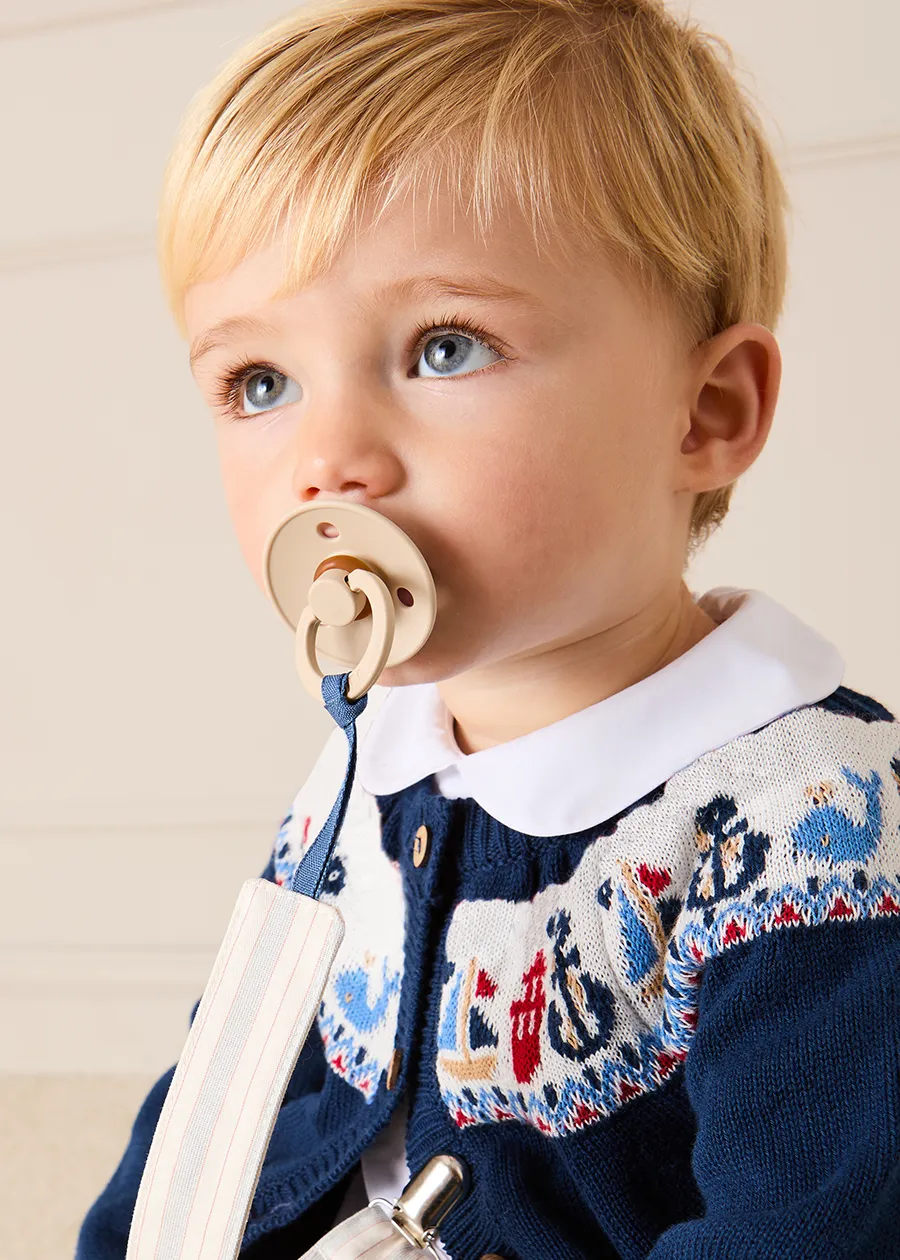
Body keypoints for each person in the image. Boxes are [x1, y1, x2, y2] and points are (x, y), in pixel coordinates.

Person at [76, 1, 900, 1256]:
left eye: (445, 347)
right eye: (259, 383)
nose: (328, 461)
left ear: (706, 413)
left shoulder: (810, 830)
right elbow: (220, 1110)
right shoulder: (369, 766)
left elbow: (816, 1222)